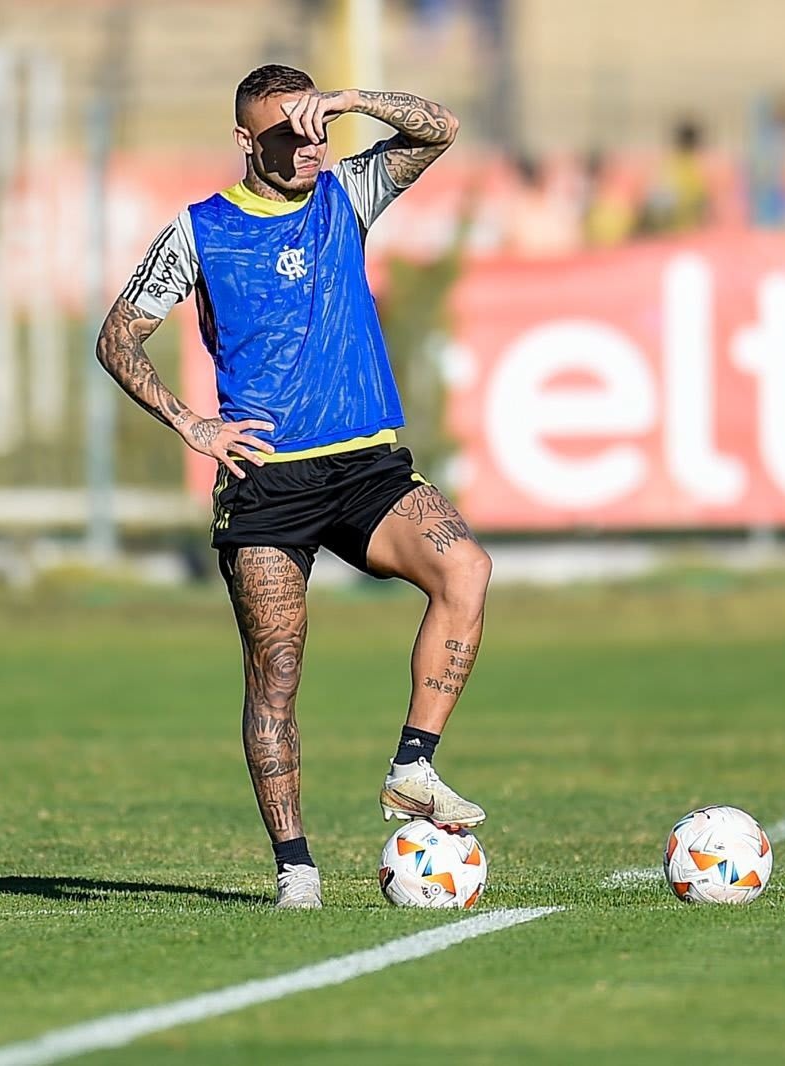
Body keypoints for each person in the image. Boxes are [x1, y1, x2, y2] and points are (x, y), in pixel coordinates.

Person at [94, 65, 490, 909]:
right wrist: (189, 423)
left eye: (317, 131)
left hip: (366, 465)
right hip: (267, 480)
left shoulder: (344, 192)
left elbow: (438, 127)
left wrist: (347, 101)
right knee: (275, 669)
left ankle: (414, 770)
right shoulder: (199, 231)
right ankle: (296, 869)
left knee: (467, 569)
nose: (309, 148)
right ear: (245, 140)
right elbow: (118, 336)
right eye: (287, 136)